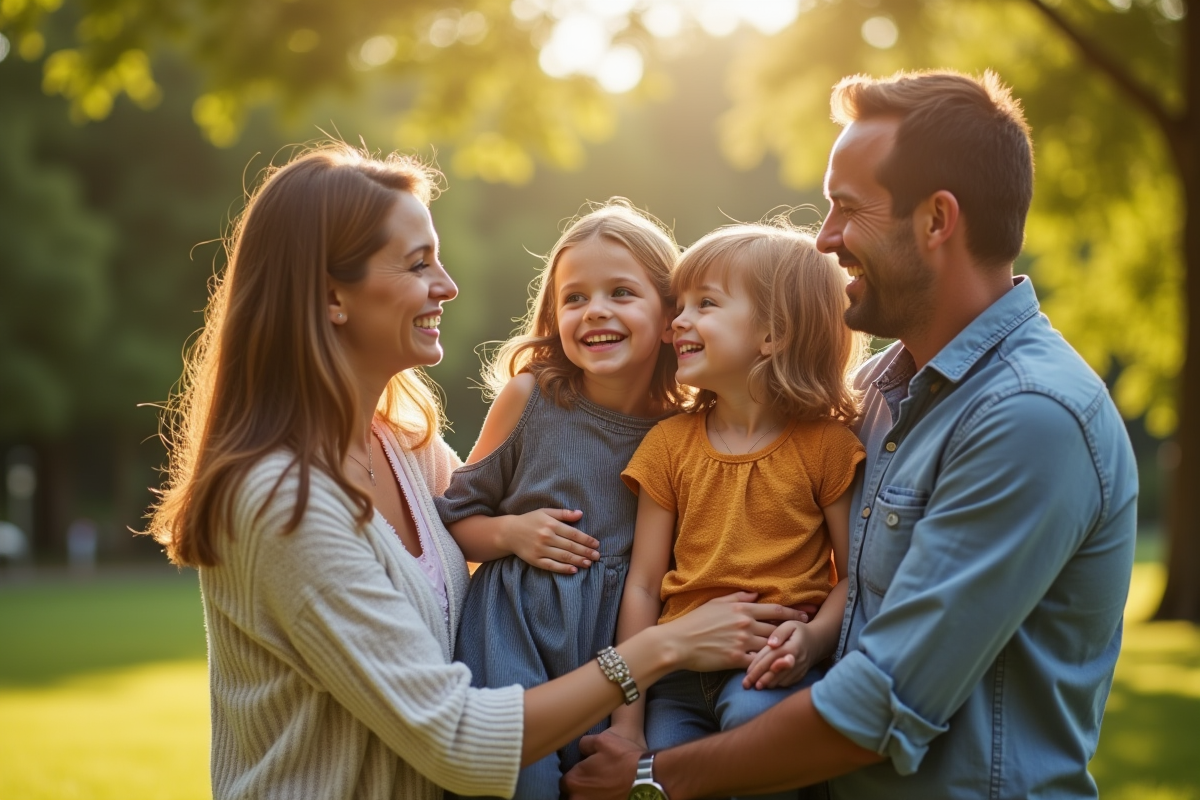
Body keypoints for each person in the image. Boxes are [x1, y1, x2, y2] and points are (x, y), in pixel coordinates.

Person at [146, 144, 803, 800]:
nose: (448, 285)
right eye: (418, 264)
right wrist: (665, 647)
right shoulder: (281, 502)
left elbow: (492, 517)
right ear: (331, 296)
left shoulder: (407, 450)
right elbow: (458, 739)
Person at [563, 69, 1138, 800]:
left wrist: (649, 778)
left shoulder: (1029, 416)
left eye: (847, 208)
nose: (825, 237)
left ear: (936, 220)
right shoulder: (869, 398)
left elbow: (879, 706)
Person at [434, 199, 690, 797]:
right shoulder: (530, 399)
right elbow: (456, 519)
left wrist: (629, 720)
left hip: (622, 643)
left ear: (669, 314)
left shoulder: (684, 430)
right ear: (555, 316)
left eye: (621, 292)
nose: (595, 310)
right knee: (525, 784)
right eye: (575, 298)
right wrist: (511, 533)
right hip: (514, 638)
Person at [605, 223, 865, 800]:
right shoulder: (668, 445)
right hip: (675, 680)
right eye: (679, 305)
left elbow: (852, 578)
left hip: (767, 668)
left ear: (773, 334)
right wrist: (627, 721)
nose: (677, 321)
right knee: (665, 780)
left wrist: (814, 641)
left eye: (705, 304)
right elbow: (643, 585)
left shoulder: (827, 447)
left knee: (757, 758)